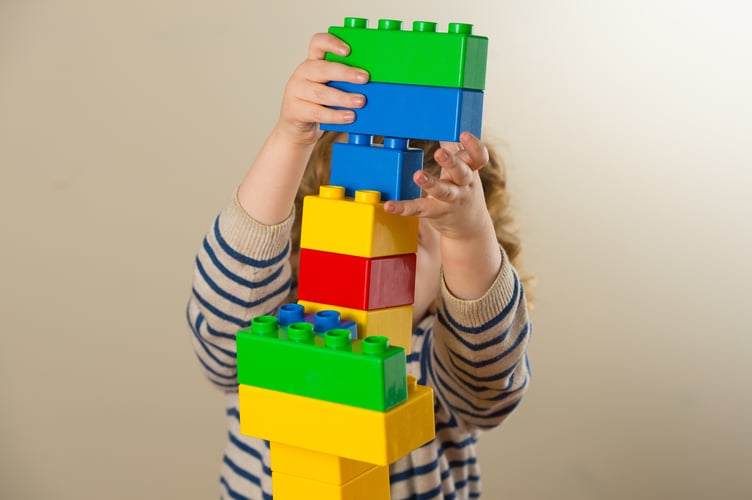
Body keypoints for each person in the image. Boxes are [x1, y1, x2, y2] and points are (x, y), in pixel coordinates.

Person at [186, 32, 533, 500]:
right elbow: (221, 321)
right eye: (348, 210)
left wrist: (468, 233)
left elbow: (490, 387)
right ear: (303, 241)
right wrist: (290, 138)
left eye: (417, 231)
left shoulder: (437, 360)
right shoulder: (269, 332)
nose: (376, 235)